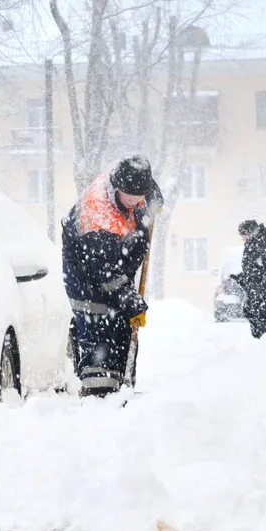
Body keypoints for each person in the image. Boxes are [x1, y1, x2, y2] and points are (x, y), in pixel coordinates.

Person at [61, 155, 159, 398]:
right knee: (99, 338)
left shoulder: (126, 179)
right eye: (131, 197)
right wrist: (133, 301)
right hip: (87, 280)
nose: (137, 202)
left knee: (121, 327)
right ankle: (98, 396)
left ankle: (121, 387)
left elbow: (147, 190)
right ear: (117, 188)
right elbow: (108, 275)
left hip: (113, 271)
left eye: (141, 196)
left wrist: (153, 199)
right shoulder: (99, 217)